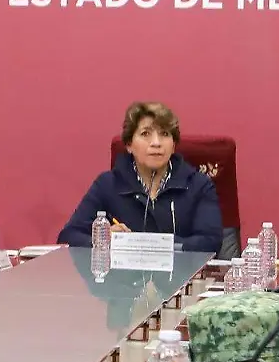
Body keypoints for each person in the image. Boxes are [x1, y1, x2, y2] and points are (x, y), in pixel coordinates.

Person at [57, 102, 222, 253]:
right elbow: (69, 236)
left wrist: (146, 244)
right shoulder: (108, 185)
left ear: (173, 146)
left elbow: (210, 242)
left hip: (182, 274)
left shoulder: (198, 185)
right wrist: (103, 240)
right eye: (145, 134)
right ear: (129, 145)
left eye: (164, 134)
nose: (156, 143)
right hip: (122, 276)